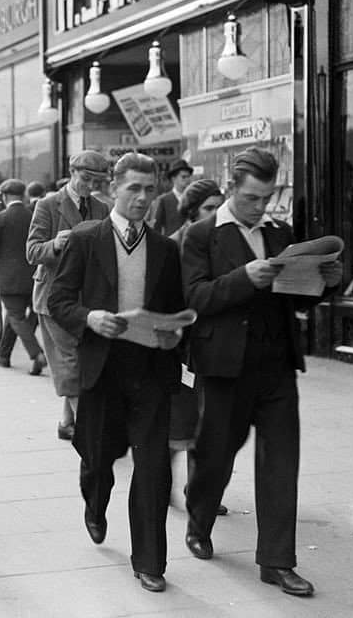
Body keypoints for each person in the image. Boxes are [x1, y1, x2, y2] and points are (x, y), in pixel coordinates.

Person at [181, 148, 343, 597]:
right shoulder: (200, 236)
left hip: (275, 367)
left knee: (280, 464)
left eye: (267, 198)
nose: (261, 207)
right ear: (232, 188)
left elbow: (296, 298)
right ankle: (199, 520)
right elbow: (194, 299)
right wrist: (242, 279)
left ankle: (276, 562)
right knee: (215, 456)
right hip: (223, 369)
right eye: (253, 198)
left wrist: (325, 282)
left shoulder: (281, 233)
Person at [47, 152, 185, 593]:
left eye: (150, 190)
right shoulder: (86, 240)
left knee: (153, 467)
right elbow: (59, 301)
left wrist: (171, 334)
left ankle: (150, 562)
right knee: (97, 457)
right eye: (134, 189)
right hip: (101, 372)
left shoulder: (165, 250)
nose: (143, 198)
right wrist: (90, 318)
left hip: (150, 373)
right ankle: (95, 500)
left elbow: (175, 311)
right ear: (113, 190)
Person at [26, 150, 110, 441]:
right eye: (86, 178)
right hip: (53, 298)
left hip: (85, 298)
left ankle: (66, 421)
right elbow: (32, 251)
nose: (90, 185)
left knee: (79, 359)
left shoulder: (102, 208)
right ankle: (88, 429)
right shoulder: (47, 205)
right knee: (69, 362)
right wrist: (55, 244)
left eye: (96, 181)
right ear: (72, 172)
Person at [166, 180, 228, 516]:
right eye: (208, 208)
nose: (216, 214)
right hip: (181, 346)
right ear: (191, 212)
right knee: (181, 423)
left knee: (208, 422)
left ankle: (199, 489)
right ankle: (164, 484)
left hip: (214, 343)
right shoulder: (176, 244)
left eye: (220, 206)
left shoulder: (223, 241)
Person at [0, 178, 46, 375]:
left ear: (4, 196)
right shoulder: (34, 216)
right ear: (23, 196)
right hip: (34, 276)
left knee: (15, 316)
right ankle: (3, 355)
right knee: (23, 317)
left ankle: (37, 354)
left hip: (8, 278)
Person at [148, 157, 194, 236]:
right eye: (183, 177)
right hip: (171, 244)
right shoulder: (164, 200)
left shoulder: (194, 198)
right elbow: (157, 227)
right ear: (173, 179)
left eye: (189, 177)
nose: (187, 180)